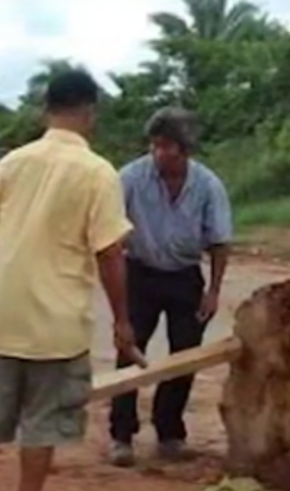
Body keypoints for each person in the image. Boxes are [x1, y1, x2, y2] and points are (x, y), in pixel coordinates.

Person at [0, 70, 144, 491]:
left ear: (45, 109)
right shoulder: (97, 172)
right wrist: (122, 320)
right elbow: (110, 253)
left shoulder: (12, 165)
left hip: (6, 315)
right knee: (42, 422)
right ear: (89, 112)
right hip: (57, 323)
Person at [108, 107, 234, 467]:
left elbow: (220, 242)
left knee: (185, 355)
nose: (160, 153)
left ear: (186, 150)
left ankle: (170, 432)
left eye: (168, 146)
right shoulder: (129, 178)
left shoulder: (208, 185)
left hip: (185, 276)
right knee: (129, 348)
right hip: (140, 273)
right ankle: (121, 434)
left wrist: (213, 291)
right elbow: (111, 235)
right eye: (155, 145)